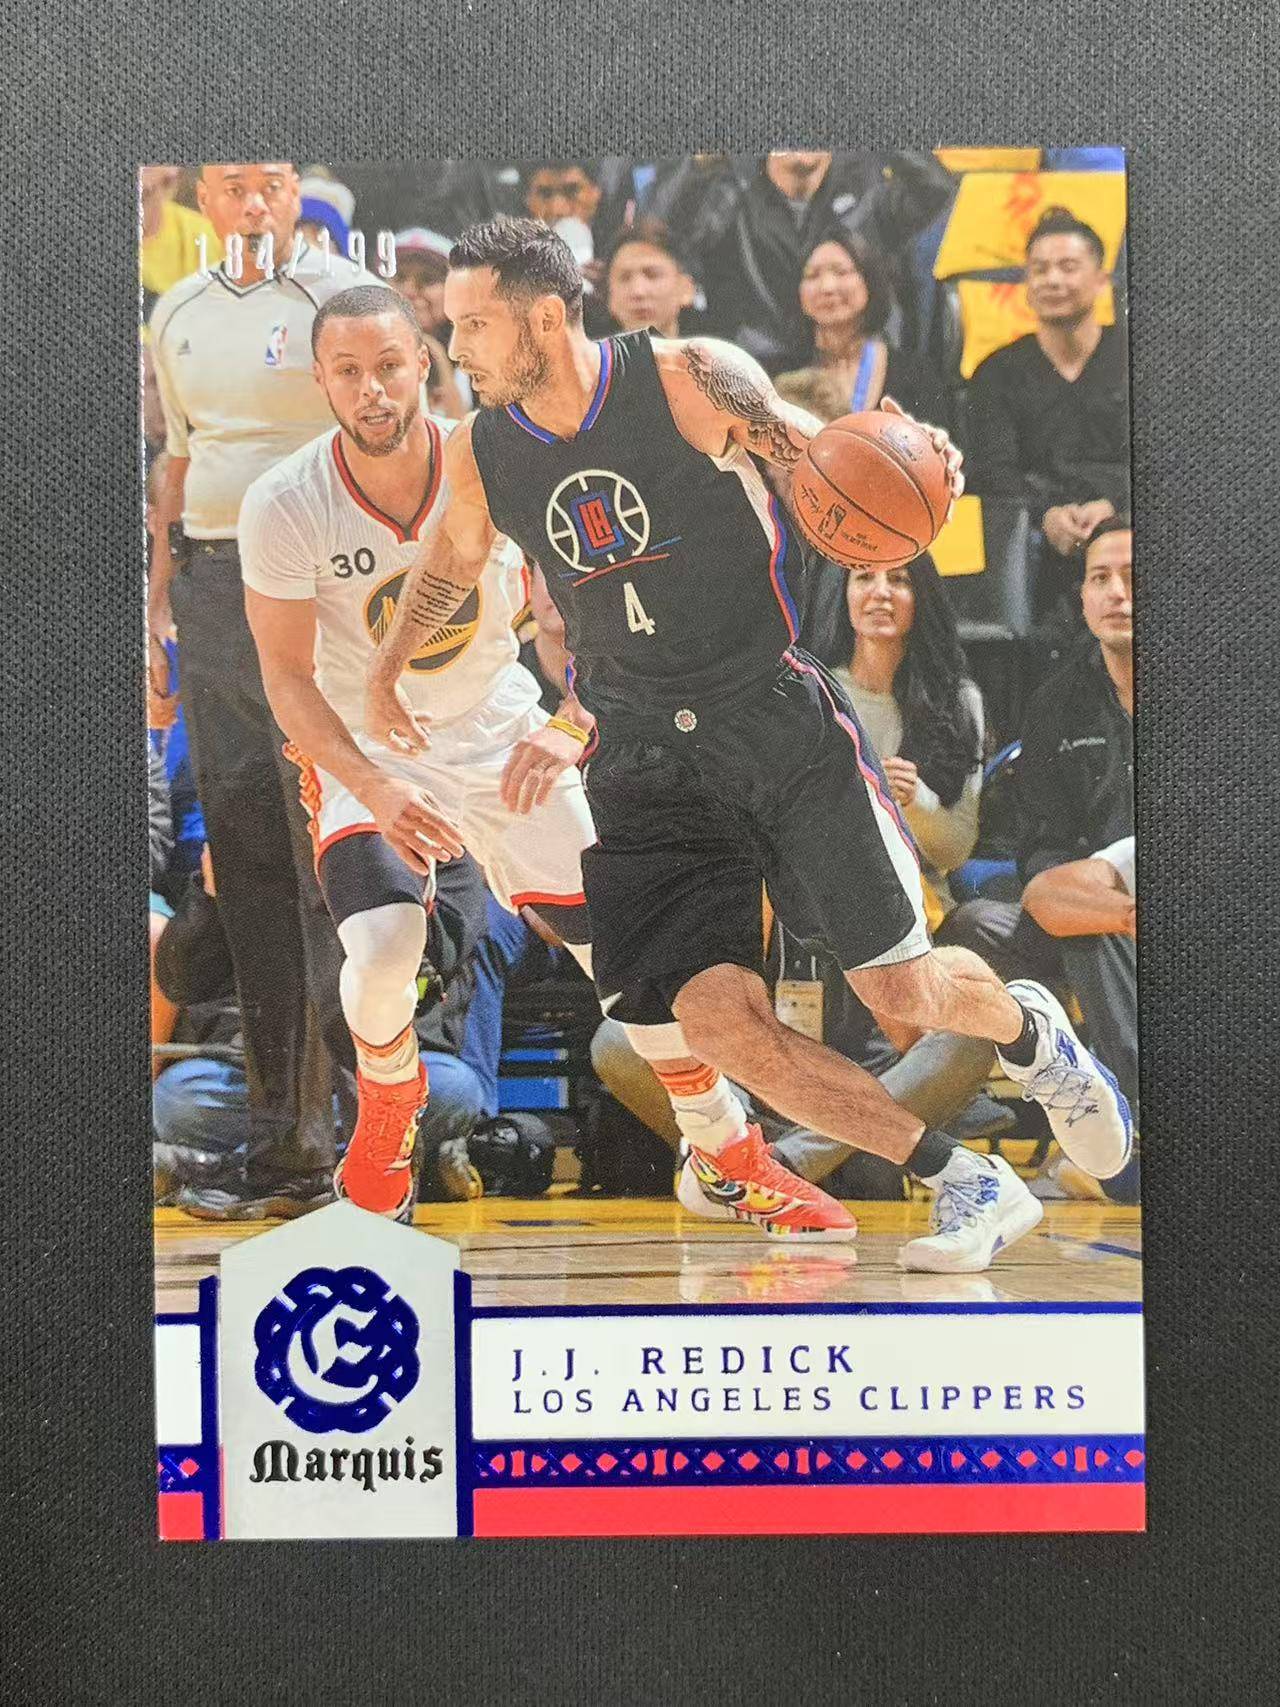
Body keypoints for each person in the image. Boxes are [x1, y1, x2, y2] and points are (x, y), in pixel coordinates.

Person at [364, 216, 1133, 1271]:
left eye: (474, 324)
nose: (456, 347)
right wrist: (383, 666)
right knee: (718, 1026)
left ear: (543, 318)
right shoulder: (482, 447)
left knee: (900, 991)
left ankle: (1032, 1032)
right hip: (643, 760)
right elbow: (452, 564)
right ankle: (963, 1177)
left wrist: (916, 456)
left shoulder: (687, 378)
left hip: (768, 720)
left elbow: (821, 456)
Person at [238, 284, 598, 1219]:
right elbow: (287, 680)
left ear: (425, 365)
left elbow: (588, 608)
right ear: (321, 381)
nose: (372, 389)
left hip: (494, 725)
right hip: (369, 745)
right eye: (349, 371)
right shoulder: (284, 501)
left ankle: (720, 1139)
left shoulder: (497, 462)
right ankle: (389, 1100)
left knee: (615, 939)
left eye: (390, 366)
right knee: (384, 941)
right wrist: (373, 787)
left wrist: (571, 720)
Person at [147, 161, 381, 1215]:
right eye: (233, 185)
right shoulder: (177, 310)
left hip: (318, 592)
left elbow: (388, 436)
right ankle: (287, 1153)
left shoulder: (344, 298)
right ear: (201, 197)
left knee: (329, 870)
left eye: (271, 184)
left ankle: (367, 1149)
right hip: (209, 588)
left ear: (295, 193)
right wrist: (158, 606)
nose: (253, 203)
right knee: (246, 872)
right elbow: (178, 462)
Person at [943, 516, 1138, 1198]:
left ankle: (1124, 1137)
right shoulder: (1058, 700)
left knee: (1087, 928)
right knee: (975, 928)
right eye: (1100, 578)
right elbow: (1039, 845)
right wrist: (1092, 897)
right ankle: (957, 1114)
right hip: (1091, 904)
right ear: (1082, 597)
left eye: (1133, 577)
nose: (1117, 593)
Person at [152, 843, 492, 1208]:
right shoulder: (258, 843)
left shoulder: (444, 853)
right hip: (267, 1074)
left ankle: (222, 1165)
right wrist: (209, 896)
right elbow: (182, 983)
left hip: (382, 1065)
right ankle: (387, 1166)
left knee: (453, 1089)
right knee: (178, 1100)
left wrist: (386, 891)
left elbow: (439, 959)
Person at [965, 206, 1130, 615]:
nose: (1052, 280)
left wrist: (1115, 505)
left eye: (1068, 267)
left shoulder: (1134, 355)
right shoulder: (996, 372)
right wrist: (1047, 515)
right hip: (1037, 543)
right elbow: (993, 472)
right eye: (1039, 269)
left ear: (1101, 280)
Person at [646, 151, 954, 370]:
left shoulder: (867, 189)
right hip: (761, 373)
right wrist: (702, 163)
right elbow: (665, 233)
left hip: (859, 370)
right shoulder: (733, 192)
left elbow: (935, 189)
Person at [774, 229, 942, 423]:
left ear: (869, 282)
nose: (827, 287)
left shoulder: (914, 376)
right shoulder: (773, 376)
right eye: (812, 275)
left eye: (841, 272)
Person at [604, 220, 697, 340]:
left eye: (653, 275)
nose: (638, 291)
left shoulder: (714, 351)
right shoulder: (587, 352)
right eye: (625, 278)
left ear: (686, 289)